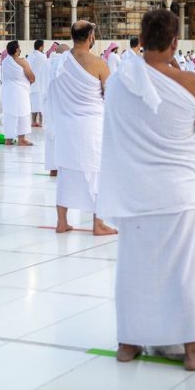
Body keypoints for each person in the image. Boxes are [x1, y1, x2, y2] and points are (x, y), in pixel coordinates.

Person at [96, 9, 195, 371]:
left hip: (135, 191)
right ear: (175, 41)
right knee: (182, 271)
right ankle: (192, 350)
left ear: (142, 39)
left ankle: (128, 343)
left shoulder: (120, 82)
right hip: (177, 193)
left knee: (133, 269)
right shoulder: (191, 82)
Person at [49, 21, 117, 236]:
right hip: (91, 127)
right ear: (90, 37)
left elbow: (53, 93)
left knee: (66, 173)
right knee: (97, 173)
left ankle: (62, 222)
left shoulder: (60, 62)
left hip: (66, 126)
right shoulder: (99, 63)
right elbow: (111, 95)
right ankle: (98, 224)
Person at [1, 41, 35, 146]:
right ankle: (21, 139)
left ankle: (8, 139)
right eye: (19, 47)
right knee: (23, 113)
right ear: (16, 50)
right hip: (20, 92)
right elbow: (32, 78)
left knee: (9, 114)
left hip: (8, 92)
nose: (20, 49)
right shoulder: (22, 62)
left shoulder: (5, 62)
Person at [44, 43, 70, 177]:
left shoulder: (47, 62)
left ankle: (53, 169)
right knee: (62, 135)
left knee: (51, 135)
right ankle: (62, 167)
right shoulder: (64, 62)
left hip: (48, 103)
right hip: (61, 104)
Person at [28, 40, 49, 127]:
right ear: (40, 47)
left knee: (34, 104)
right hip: (41, 83)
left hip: (32, 83)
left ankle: (33, 121)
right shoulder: (43, 56)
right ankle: (41, 122)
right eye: (43, 46)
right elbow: (46, 68)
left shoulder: (30, 56)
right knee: (41, 104)